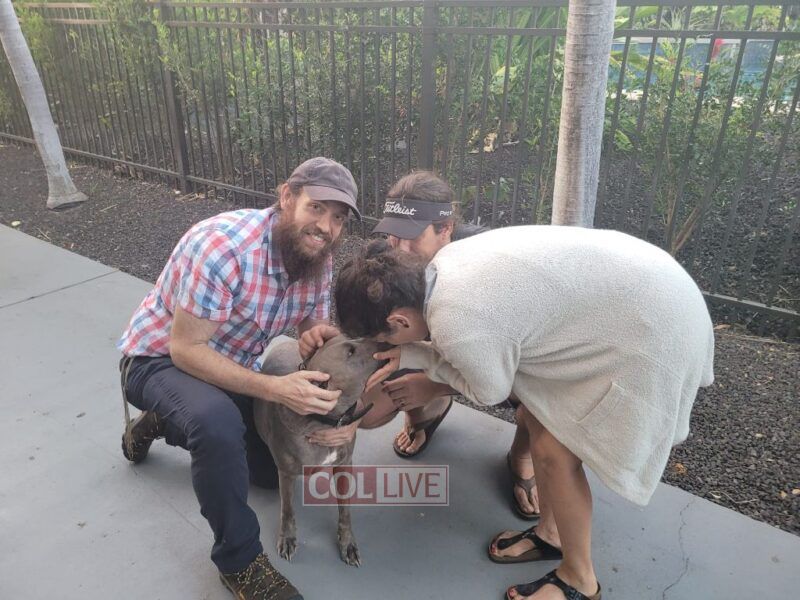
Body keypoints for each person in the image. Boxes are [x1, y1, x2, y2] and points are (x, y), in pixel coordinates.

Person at [334, 229, 715, 600]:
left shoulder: (456, 321)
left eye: (385, 339)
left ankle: (580, 581)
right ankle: (551, 534)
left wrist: (420, 358)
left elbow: (491, 390)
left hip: (654, 329)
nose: (387, 347)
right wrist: (417, 354)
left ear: (400, 321)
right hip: (651, 291)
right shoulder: (441, 268)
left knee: (554, 452)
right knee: (538, 421)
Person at [117, 157, 361, 600]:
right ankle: (240, 564)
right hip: (159, 361)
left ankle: (164, 421)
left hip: (229, 370)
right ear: (287, 197)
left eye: (339, 217)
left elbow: (309, 323)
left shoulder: (316, 257)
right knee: (216, 425)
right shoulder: (223, 248)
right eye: (317, 208)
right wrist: (274, 388)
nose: (327, 227)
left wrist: (314, 336)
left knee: (268, 471)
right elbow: (186, 349)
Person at [348, 171, 541, 521]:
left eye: (412, 237)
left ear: (446, 228)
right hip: (438, 353)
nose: (400, 249)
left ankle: (522, 455)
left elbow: (513, 370)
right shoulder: (390, 260)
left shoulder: (486, 269)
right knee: (371, 405)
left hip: (514, 365)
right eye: (394, 235)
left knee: (539, 407)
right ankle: (427, 413)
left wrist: (432, 384)